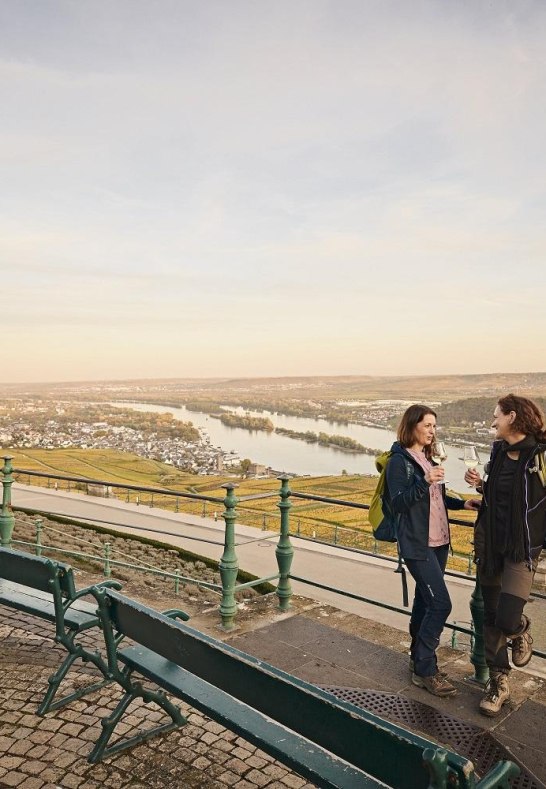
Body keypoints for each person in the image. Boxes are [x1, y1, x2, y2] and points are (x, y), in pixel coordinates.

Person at [386, 404, 475, 698]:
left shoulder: (427, 457)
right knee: (441, 604)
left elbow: (438, 496)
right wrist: (424, 482)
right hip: (417, 544)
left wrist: (463, 504)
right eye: (427, 426)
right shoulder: (399, 461)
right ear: (412, 426)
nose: (432, 431)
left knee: (425, 601)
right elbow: (398, 503)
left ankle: (418, 661)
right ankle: (426, 669)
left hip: (439, 541)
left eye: (434, 426)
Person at [465, 394, 546, 717]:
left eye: (496, 415)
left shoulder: (540, 455)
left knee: (507, 617)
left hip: (521, 547)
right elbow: (502, 493)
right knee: (490, 617)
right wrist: (481, 487)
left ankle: (520, 629)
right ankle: (498, 683)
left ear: (512, 417)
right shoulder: (498, 451)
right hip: (490, 544)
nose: (492, 420)